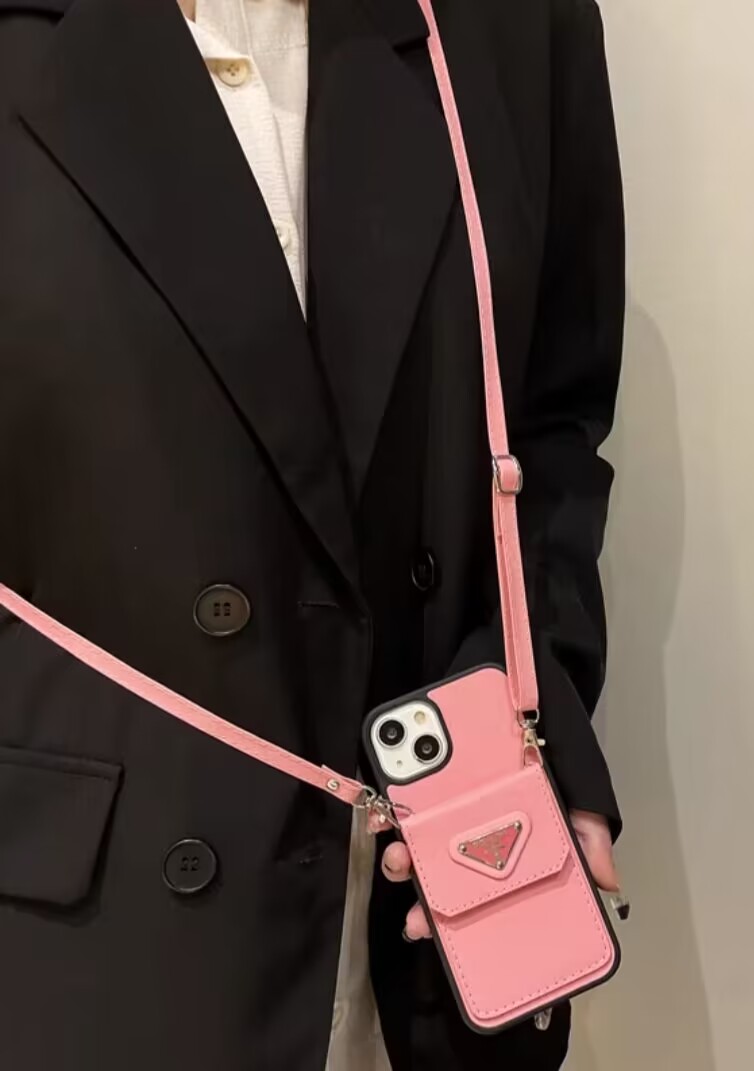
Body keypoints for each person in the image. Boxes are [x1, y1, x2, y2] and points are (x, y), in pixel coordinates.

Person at [0, 0, 625, 1067]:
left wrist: (533, 685)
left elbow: (551, 425)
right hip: (87, 942)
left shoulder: (511, 28)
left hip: (426, 932)